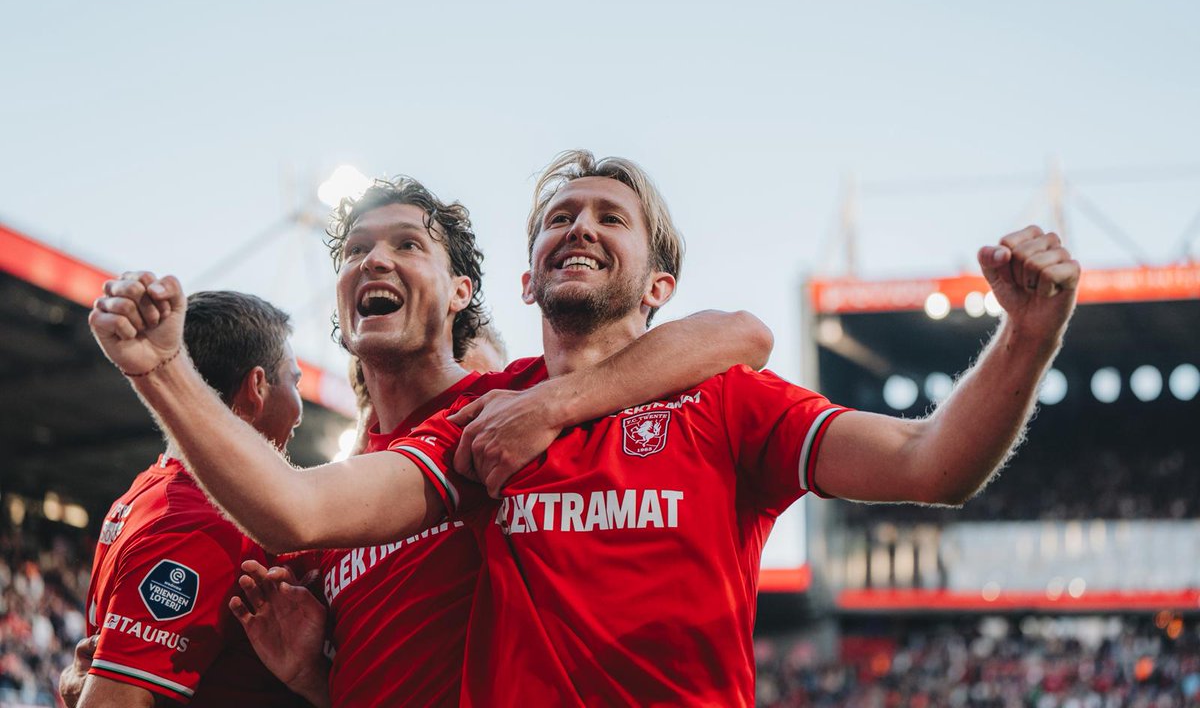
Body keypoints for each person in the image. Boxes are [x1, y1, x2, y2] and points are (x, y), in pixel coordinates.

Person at [91, 150, 1078, 704]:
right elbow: (300, 507)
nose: (582, 224)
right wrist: (163, 369)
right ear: (525, 279)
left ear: (658, 281)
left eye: (612, 215)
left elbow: (929, 460)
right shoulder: (478, 422)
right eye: (561, 213)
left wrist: (1028, 335)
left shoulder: (728, 400)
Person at [94, 175, 772, 707]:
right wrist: (307, 676)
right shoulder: (351, 485)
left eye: (407, 245)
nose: (374, 260)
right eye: (356, 249)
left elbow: (738, 334)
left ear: (460, 292)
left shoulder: (509, 401)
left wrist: (558, 402)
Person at [64, 291, 306, 708]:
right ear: (257, 387)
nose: (300, 410)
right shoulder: (201, 519)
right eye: (294, 381)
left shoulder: (150, 490)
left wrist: (75, 685)